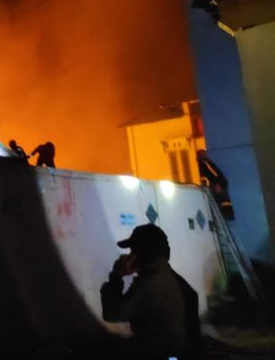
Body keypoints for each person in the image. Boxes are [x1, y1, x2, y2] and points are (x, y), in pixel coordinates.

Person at [100, 224, 201, 359]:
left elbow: (112, 313)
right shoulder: (168, 275)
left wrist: (116, 275)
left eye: (133, 251)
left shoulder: (149, 283)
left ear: (145, 253)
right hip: (177, 352)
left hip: (161, 353)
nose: (129, 256)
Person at [196, 150, 234, 220]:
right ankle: (226, 217)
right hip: (217, 184)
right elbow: (214, 173)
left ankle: (224, 218)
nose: (206, 155)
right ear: (201, 155)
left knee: (220, 202)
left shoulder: (204, 163)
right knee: (222, 201)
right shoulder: (205, 163)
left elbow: (210, 175)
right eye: (204, 154)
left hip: (217, 184)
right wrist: (218, 183)